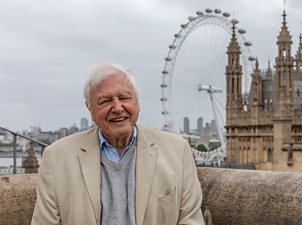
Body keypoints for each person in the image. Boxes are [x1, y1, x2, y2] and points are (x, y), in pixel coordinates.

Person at [31, 63, 204, 225]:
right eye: (105, 101)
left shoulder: (177, 151)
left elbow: (190, 219)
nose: (117, 108)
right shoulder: (56, 157)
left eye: (124, 97)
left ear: (137, 102)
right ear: (90, 108)